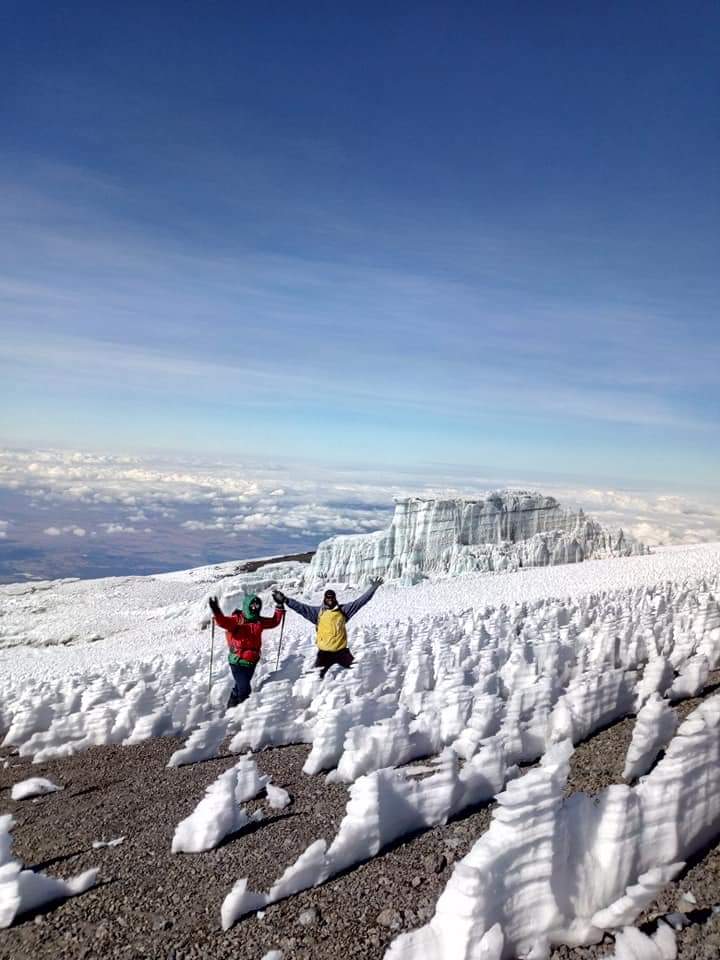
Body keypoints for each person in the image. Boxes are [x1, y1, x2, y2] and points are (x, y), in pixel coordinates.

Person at [273, 578, 383, 678]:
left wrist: (373, 588)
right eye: (328, 597)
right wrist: (286, 600)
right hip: (324, 653)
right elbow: (301, 608)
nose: (330, 599)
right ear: (324, 599)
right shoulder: (317, 613)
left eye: (332, 597)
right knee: (319, 682)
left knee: (353, 678)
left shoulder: (343, 610)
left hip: (342, 652)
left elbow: (360, 602)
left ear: (335, 598)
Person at [208, 593, 284, 708]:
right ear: (246, 605)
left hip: (252, 661)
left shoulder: (259, 621)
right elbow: (222, 622)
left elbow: (274, 622)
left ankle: (231, 707)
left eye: (257, 605)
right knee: (245, 689)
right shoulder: (237, 620)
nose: (255, 608)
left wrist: (279, 605)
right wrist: (216, 610)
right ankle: (241, 712)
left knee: (239, 687)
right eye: (252, 605)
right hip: (237, 661)